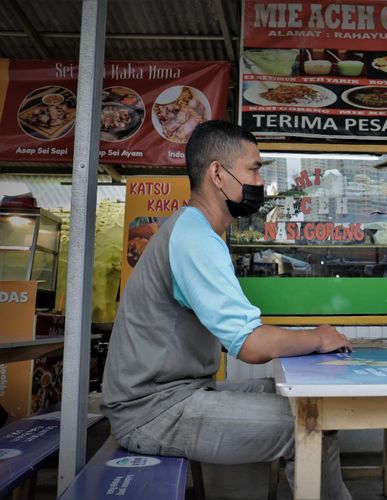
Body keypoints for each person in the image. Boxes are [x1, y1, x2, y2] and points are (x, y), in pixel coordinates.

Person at [101, 120, 353, 499]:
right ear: (218, 173)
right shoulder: (194, 237)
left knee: (293, 395)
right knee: (311, 422)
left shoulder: (195, 231)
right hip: (153, 411)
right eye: (253, 169)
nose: (259, 183)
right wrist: (319, 338)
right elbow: (249, 345)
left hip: (179, 393)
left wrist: (313, 339)